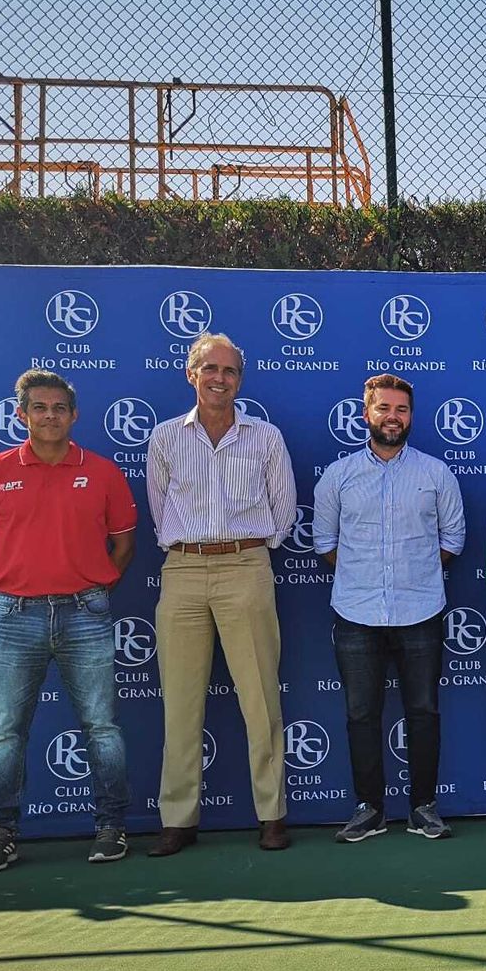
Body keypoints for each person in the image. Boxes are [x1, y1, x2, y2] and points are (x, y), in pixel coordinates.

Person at [0, 370, 138, 871]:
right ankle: (0, 833)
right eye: (39, 407)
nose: (50, 416)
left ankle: (111, 827)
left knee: (102, 726)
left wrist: (95, 587)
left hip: (86, 613)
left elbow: (124, 545)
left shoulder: (101, 472)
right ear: (22, 415)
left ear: (74, 414)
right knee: (6, 730)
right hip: (15, 614)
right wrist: (5, 586)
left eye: (59, 407)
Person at [146, 332, 298, 856]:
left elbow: (285, 511)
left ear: (240, 379)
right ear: (192, 375)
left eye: (229, 371)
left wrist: (249, 548)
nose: (219, 378)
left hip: (246, 565)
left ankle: (272, 815)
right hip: (183, 569)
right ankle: (178, 820)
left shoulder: (265, 438)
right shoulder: (165, 439)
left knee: (260, 698)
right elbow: (159, 509)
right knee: (181, 702)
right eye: (210, 369)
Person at [313, 374, 466, 843]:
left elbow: (453, 538)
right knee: (361, 714)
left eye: (401, 409)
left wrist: (410, 573)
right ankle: (369, 809)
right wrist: (366, 575)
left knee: (424, 711)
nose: (392, 417)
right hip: (356, 613)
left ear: (411, 416)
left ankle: (423, 807)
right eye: (383, 408)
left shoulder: (435, 473)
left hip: (420, 611)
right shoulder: (338, 475)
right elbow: (324, 542)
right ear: (366, 413)